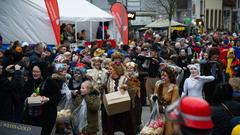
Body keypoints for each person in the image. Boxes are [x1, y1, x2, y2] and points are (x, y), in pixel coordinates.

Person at [23, 62, 62, 135]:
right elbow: (23, 95)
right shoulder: (30, 81)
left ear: (42, 71)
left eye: (37, 72)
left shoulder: (49, 82)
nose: (34, 73)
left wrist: (47, 99)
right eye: (33, 71)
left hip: (46, 116)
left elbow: (58, 96)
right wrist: (29, 97)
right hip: (31, 115)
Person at [102, 61, 136, 135]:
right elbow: (104, 89)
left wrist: (126, 88)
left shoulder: (125, 79)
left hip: (123, 109)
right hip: (112, 107)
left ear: (116, 70)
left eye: (111, 69)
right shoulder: (108, 79)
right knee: (110, 128)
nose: (109, 71)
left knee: (127, 128)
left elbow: (133, 92)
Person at [152, 66, 180, 135]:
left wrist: (163, 108)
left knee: (168, 132)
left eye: (165, 75)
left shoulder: (174, 88)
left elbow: (174, 106)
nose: (162, 77)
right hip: (159, 114)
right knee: (158, 132)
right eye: (161, 75)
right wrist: (154, 99)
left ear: (170, 76)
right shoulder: (158, 85)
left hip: (169, 116)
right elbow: (154, 99)